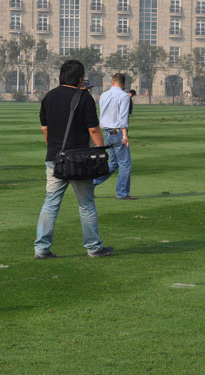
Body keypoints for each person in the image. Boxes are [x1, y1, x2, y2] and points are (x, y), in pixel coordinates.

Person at [34, 60, 113, 259]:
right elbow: (93, 129)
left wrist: (54, 149)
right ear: (79, 78)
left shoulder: (49, 97)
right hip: (80, 159)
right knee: (86, 204)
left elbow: (45, 129)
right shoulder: (84, 97)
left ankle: (41, 248)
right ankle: (93, 247)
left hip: (55, 158)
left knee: (51, 203)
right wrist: (101, 150)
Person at [93, 73, 134, 200]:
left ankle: (93, 182)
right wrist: (125, 135)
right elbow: (123, 117)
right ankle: (122, 193)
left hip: (106, 132)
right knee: (125, 164)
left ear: (112, 82)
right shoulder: (124, 96)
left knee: (114, 163)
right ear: (124, 84)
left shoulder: (104, 95)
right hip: (117, 132)